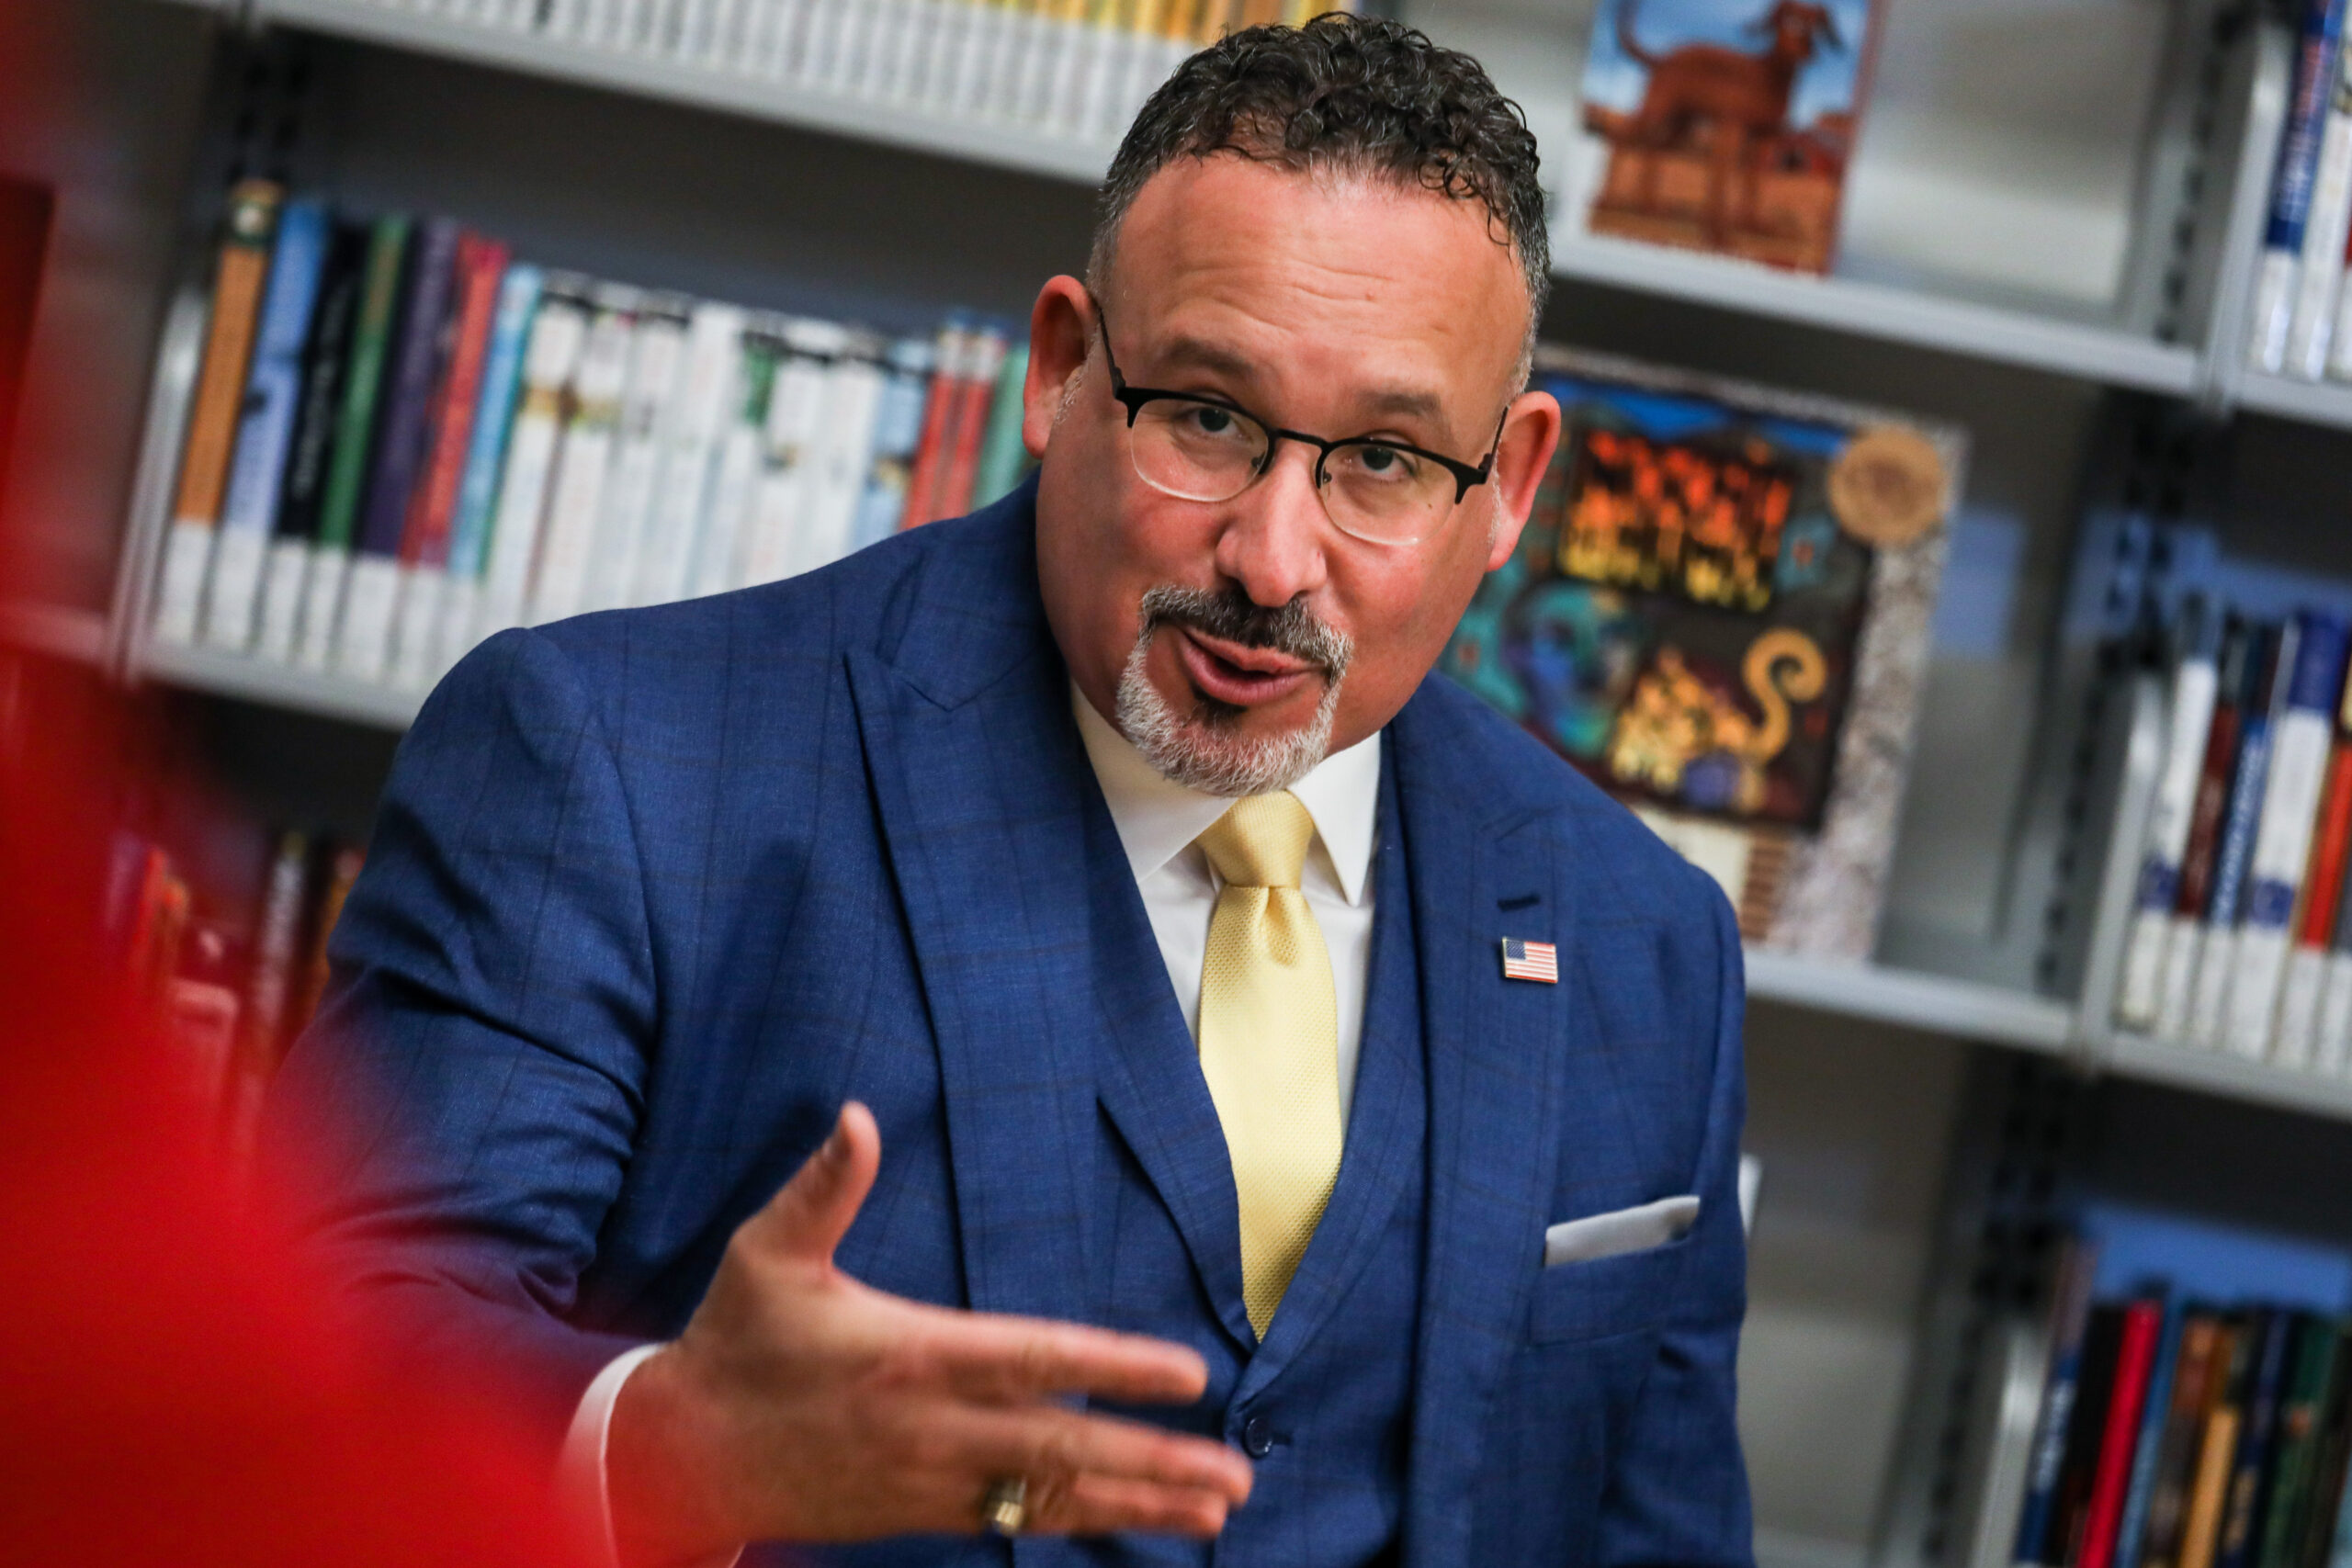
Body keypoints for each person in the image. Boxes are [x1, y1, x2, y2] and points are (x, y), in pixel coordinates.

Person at [270, 14, 1754, 1568]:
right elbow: (325, 1366)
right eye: (1206, 417)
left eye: (1383, 461)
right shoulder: (608, 761)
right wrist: (658, 1450)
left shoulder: (1646, 945)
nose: (1270, 558)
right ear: (1061, 373)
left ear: (1507, 484)